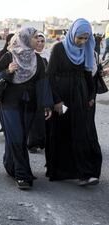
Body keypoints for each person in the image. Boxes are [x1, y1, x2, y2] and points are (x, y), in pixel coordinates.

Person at [0, 27, 53, 189]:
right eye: (34, 37)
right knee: (17, 137)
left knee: (20, 138)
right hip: (9, 104)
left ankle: (10, 164)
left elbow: (43, 83)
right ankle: (22, 175)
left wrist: (46, 105)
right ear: (25, 39)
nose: (36, 40)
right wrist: (7, 71)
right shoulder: (9, 56)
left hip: (30, 106)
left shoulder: (37, 60)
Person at [45, 18, 102, 186]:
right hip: (62, 97)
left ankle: (86, 173)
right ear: (73, 34)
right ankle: (62, 170)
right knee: (61, 132)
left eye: (86, 38)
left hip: (80, 96)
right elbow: (50, 77)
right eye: (80, 38)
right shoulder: (58, 49)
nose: (82, 41)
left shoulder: (86, 49)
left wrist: (91, 96)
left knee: (82, 133)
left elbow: (88, 75)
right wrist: (56, 101)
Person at [27, 32, 50, 152]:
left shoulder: (48, 55)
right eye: (38, 41)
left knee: (46, 117)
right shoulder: (30, 56)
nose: (40, 43)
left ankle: (43, 142)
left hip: (46, 90)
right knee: (35, 119)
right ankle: (32, 144)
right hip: (33, 91)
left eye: (42, 41)